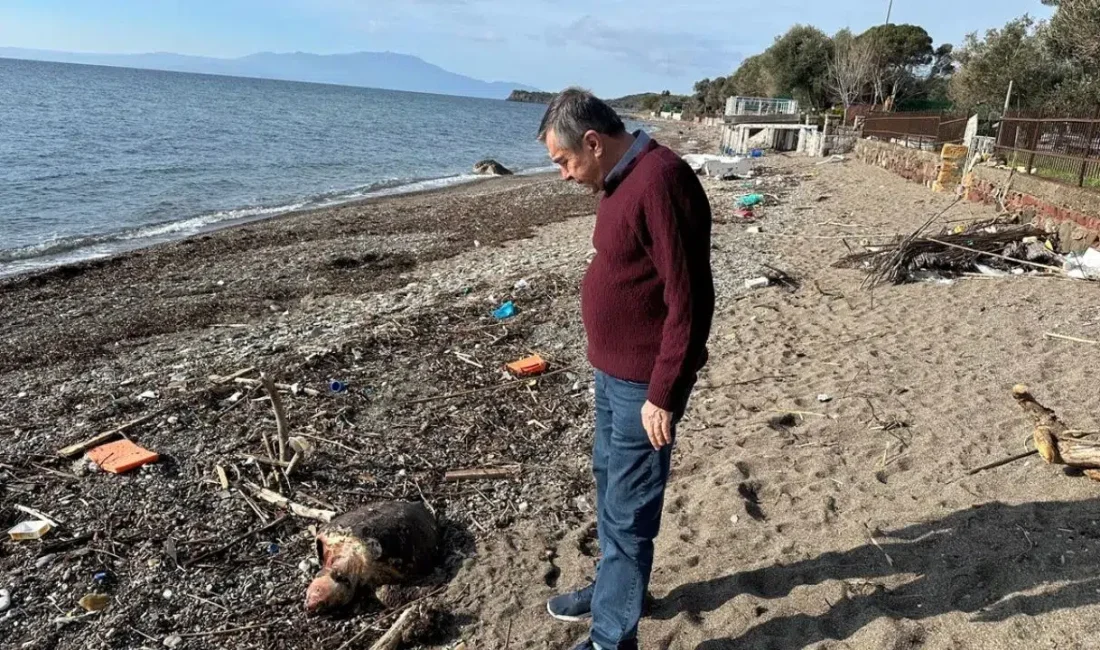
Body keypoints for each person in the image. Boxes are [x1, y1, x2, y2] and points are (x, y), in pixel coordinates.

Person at [537, 89, 715, 650]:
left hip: (644, 386)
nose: (563, 175)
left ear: (593, 142)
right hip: (612, 377)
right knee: (610, 490)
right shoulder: (618, 181)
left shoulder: (662, 180)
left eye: (564, 162)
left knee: (631, 512)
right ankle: (615, 589)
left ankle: (612, 638)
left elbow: (691, 300)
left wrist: (665, 391)